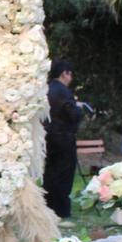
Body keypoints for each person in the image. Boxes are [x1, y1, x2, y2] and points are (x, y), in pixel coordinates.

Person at [43, 58, 82, 219]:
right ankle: (62, 209)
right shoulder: (64, 92)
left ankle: (48, 206)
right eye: (70, 74)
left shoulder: (47, 89)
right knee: (64, 174)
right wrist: (79, 109)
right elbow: (72, 114)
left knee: (50, 172)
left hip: (49, 137)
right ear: (65, 73)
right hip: (64, 138)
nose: (71, 78)